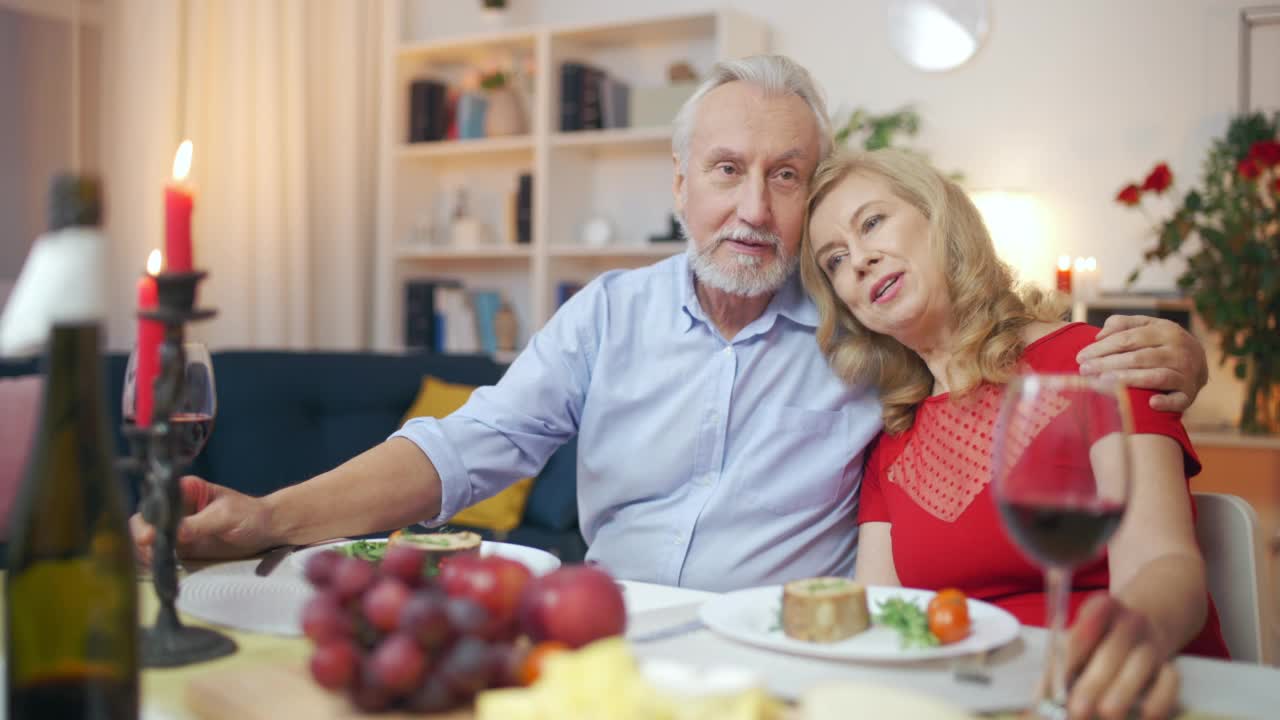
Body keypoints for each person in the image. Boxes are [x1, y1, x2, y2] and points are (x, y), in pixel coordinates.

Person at [131, 55, 1209, 593]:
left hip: (780, 664)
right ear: (680, 182)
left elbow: (992, 354)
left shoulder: (862, 327)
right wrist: (273, 517)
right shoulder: (604, 315)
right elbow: (466, 448)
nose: (754, 208)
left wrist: (1171, 356)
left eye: (786, 178)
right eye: (728, 172)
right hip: (607, 636)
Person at [801, 148, 1228, 720]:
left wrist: (1133, 630)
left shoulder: (1096, 362)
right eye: (834, 260)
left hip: (1121, 692)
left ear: (940, 216)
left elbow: (1163, 563)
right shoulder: (892, 442)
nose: (859, 260)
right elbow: (887, 619)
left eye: (872, 222)